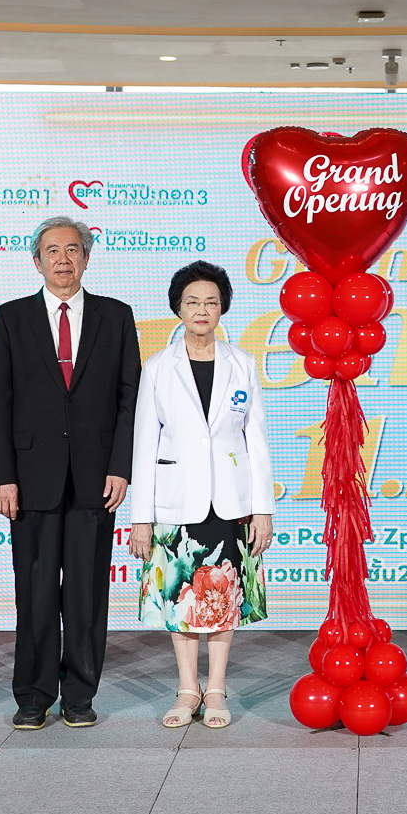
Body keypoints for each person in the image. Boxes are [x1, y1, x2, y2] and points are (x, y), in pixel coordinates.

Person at [0, 216, 141, 730]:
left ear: (87, 258)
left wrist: (120, 467)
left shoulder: (116, 316)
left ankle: (79, 695)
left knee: (87, 594)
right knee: (34, 593)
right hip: (30, 481)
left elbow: (129, 400)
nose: (63, 259)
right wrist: (1, 476)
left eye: (73, 249)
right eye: (52, 250)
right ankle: (32, 696)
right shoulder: (10, 318)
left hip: (96, 479)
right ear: (37, 261)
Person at [128, 261, 272, 729]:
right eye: (193, 302)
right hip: (176, 502)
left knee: (224, 599)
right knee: (182, 601)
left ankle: (216, 690)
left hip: (231, 502)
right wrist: (141, 517)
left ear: (223, 308)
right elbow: (144, 444)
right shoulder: (157, 367)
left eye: (211, 301)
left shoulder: (242, 363)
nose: (202, 310)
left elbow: (256, 441)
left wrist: (263, 510)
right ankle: (188, 689)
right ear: (178, 308)